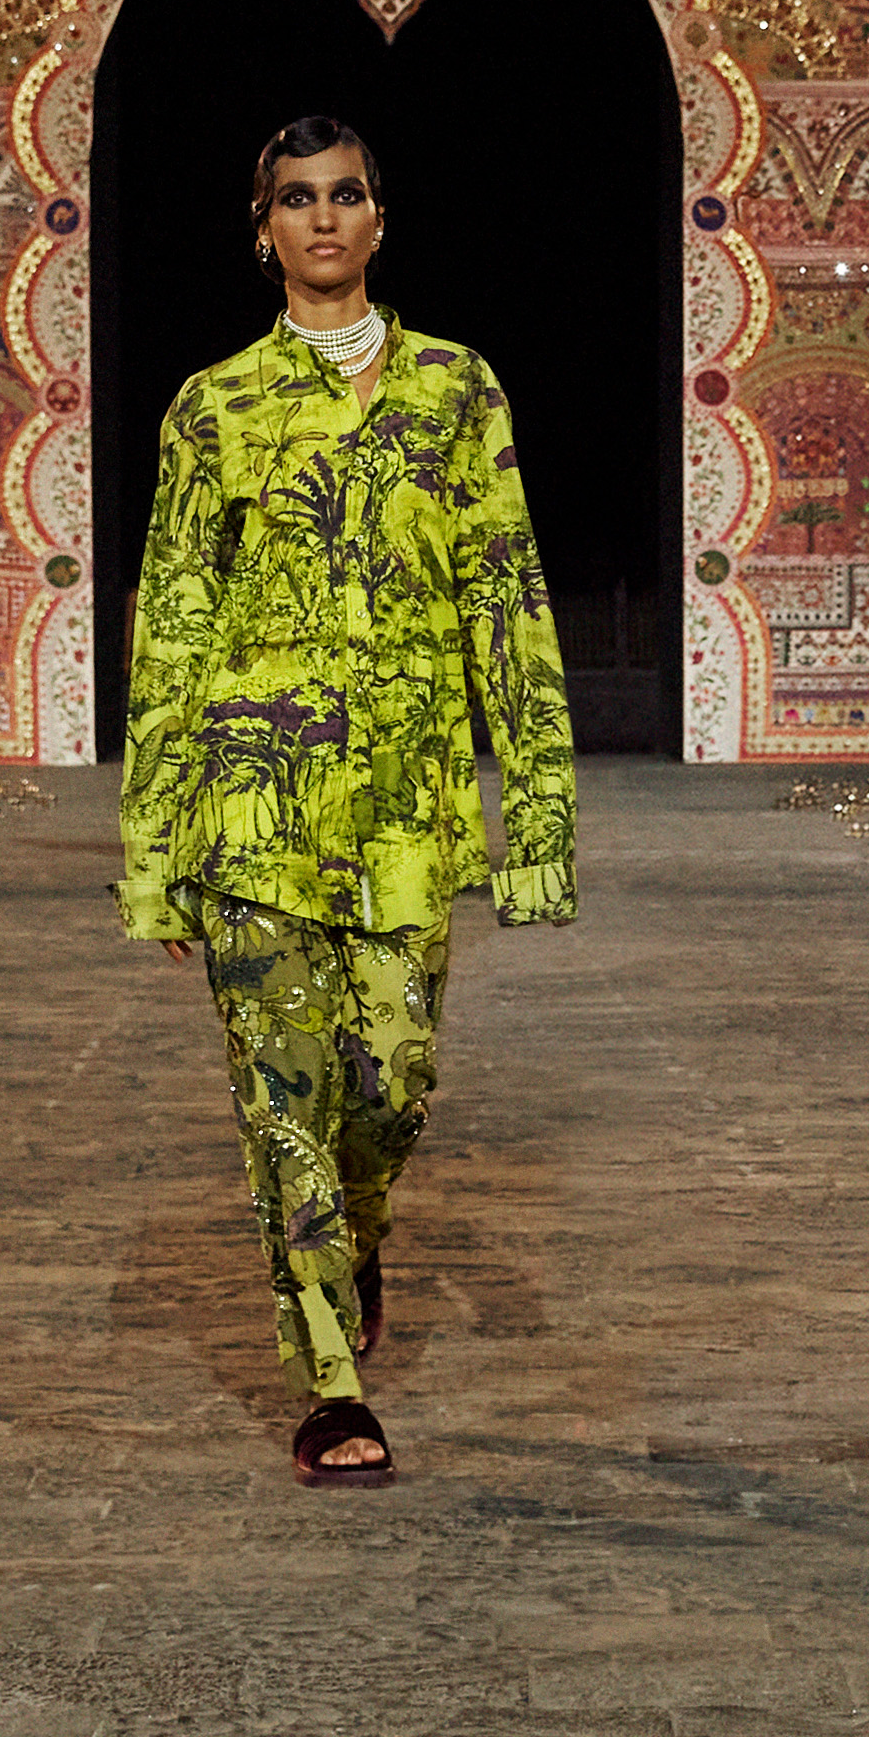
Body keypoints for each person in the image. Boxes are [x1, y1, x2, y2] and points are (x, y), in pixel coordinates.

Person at [113, 115, 577, 1488]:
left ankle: (356, 1238)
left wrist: (538, 822)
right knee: (283, 1104)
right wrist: (154, 854)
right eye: (295, 198)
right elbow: (173, 628)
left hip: (406, 817)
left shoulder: (457, 391)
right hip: (250, 818)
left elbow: (506, 598)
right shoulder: (211, 406)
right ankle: (328, 1381)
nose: (322, 217)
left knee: (390, 1090)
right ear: (261, 229)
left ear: (381, 217)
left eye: (346, 194)